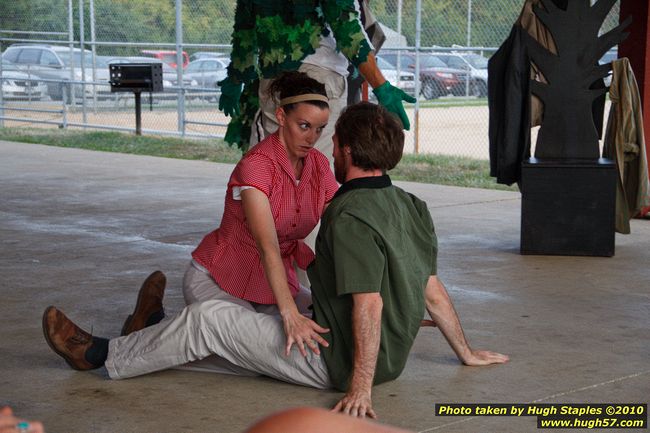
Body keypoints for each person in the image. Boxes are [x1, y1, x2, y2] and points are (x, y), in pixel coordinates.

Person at [42, 102, 508, 418]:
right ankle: (149, 330)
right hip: (388, 362)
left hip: (338, 363)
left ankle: (99, 354)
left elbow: (368, 303)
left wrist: (358, 387)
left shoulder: (348, 215)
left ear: (344, 149)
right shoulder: (411, 204)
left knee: (209, 321)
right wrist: (464, 352)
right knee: (222, 346)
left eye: (331, 139)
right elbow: (431, 288)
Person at [219, 0, 416, 157]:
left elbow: (245, 28)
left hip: (273, 79)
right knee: (314, 178)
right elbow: (344, 24)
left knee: (275, 172)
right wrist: (382, 86)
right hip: (318, 76)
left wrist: (236, 78)